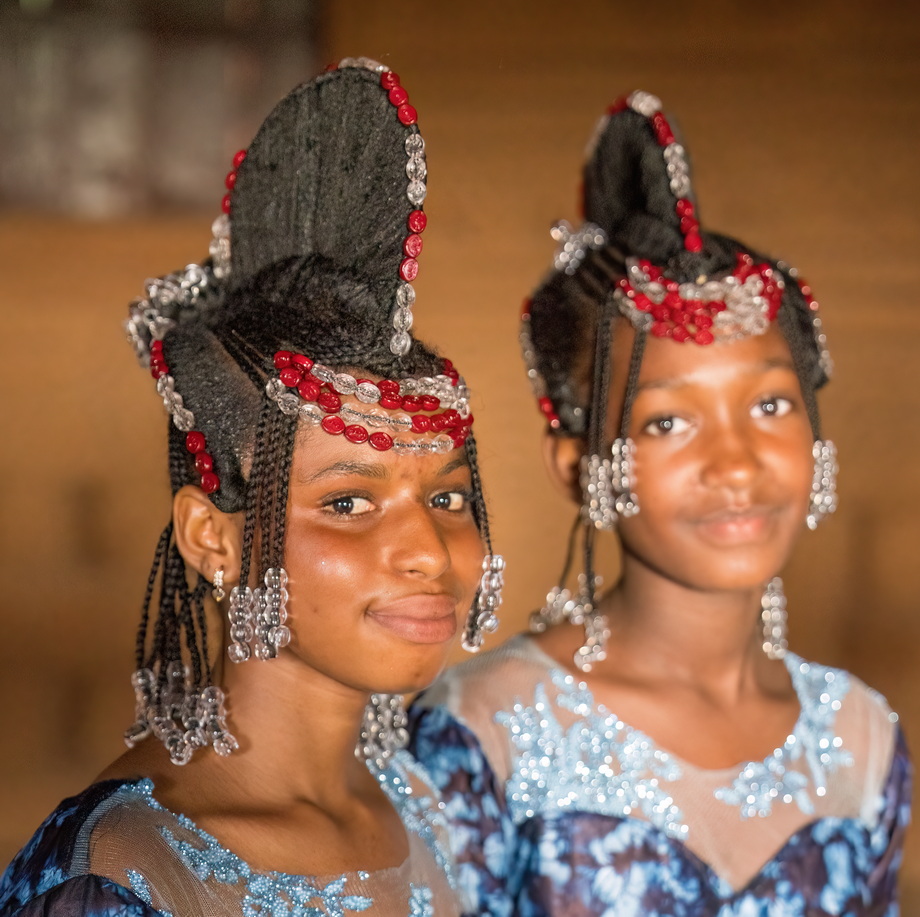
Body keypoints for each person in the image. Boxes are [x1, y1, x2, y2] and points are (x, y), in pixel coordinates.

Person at [0, 59, 505, 917]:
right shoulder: (123, 873)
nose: (428, 550)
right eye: (348, 502)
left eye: (447, 497)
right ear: (213, 537)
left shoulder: (443, 812)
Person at [410, 90, 910, 915]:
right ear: (579, 466)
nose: (736, 462)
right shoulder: (480, 732)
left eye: (771, 404)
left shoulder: (862, 736)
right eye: (669, 420)